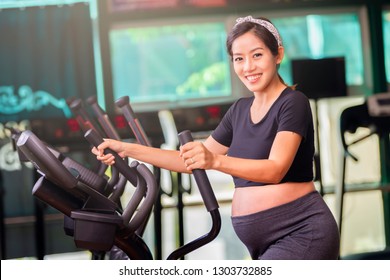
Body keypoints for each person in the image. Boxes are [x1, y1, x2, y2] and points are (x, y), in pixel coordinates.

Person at [92, 15, 340, 260]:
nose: (248, 67)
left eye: (257, 55)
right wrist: (125, 148)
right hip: (263, 242)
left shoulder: (293, 103)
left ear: (278, 55)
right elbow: (185, 161)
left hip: (302, 232)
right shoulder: (239, 110)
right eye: (238, 59)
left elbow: (275, 169)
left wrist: (214, 161)